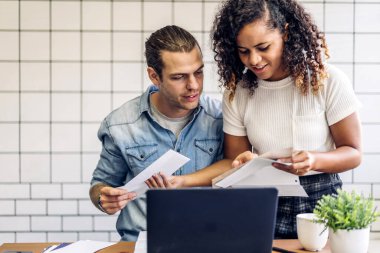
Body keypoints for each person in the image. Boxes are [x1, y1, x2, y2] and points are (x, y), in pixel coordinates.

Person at [210, 0, 362, 239]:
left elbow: (353, 153)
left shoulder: (327, 80)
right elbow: (235, 161)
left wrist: (313, 160)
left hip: (322, 199)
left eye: (263, 47)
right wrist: (246, 163)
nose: (254, 60)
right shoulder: (236, 93)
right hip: (265, 198)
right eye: (244, 51)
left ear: (286, 33)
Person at [89, 25, 225, 241]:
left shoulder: (220, 118)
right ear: (154, 76)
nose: (193, 85)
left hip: (206, 240)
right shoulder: (120, 125)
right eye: (179, 77)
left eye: (198, 72)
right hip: (142, 243)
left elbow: (234, 174)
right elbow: (100, 184)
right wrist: (103, 198)